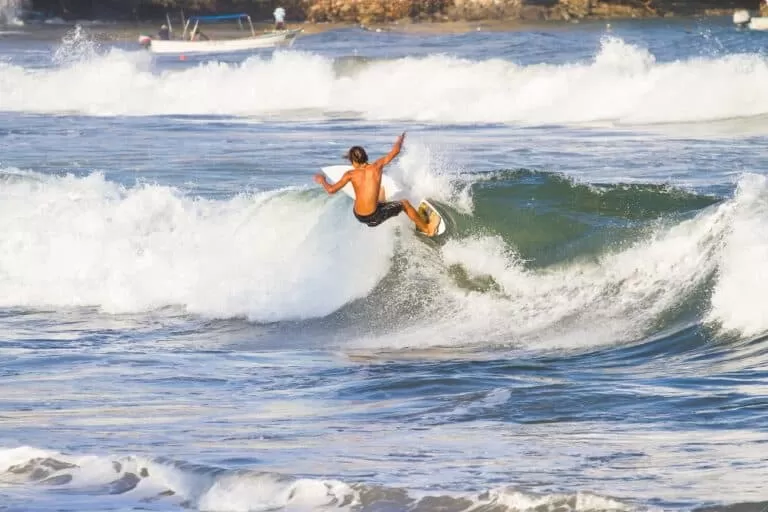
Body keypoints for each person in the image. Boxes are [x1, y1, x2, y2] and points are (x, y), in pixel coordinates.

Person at [314, 132, 440, 237]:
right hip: (373, 217)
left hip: (358, 214)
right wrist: (400, 139)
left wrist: (322, 181)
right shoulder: (376, 166)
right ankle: (427, 229)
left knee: (379, 192)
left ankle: (380, 201)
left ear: (354, 161)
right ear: (366, 157)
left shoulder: (350, 174)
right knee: (405, 204)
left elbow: (330, 190)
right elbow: (395, 151)